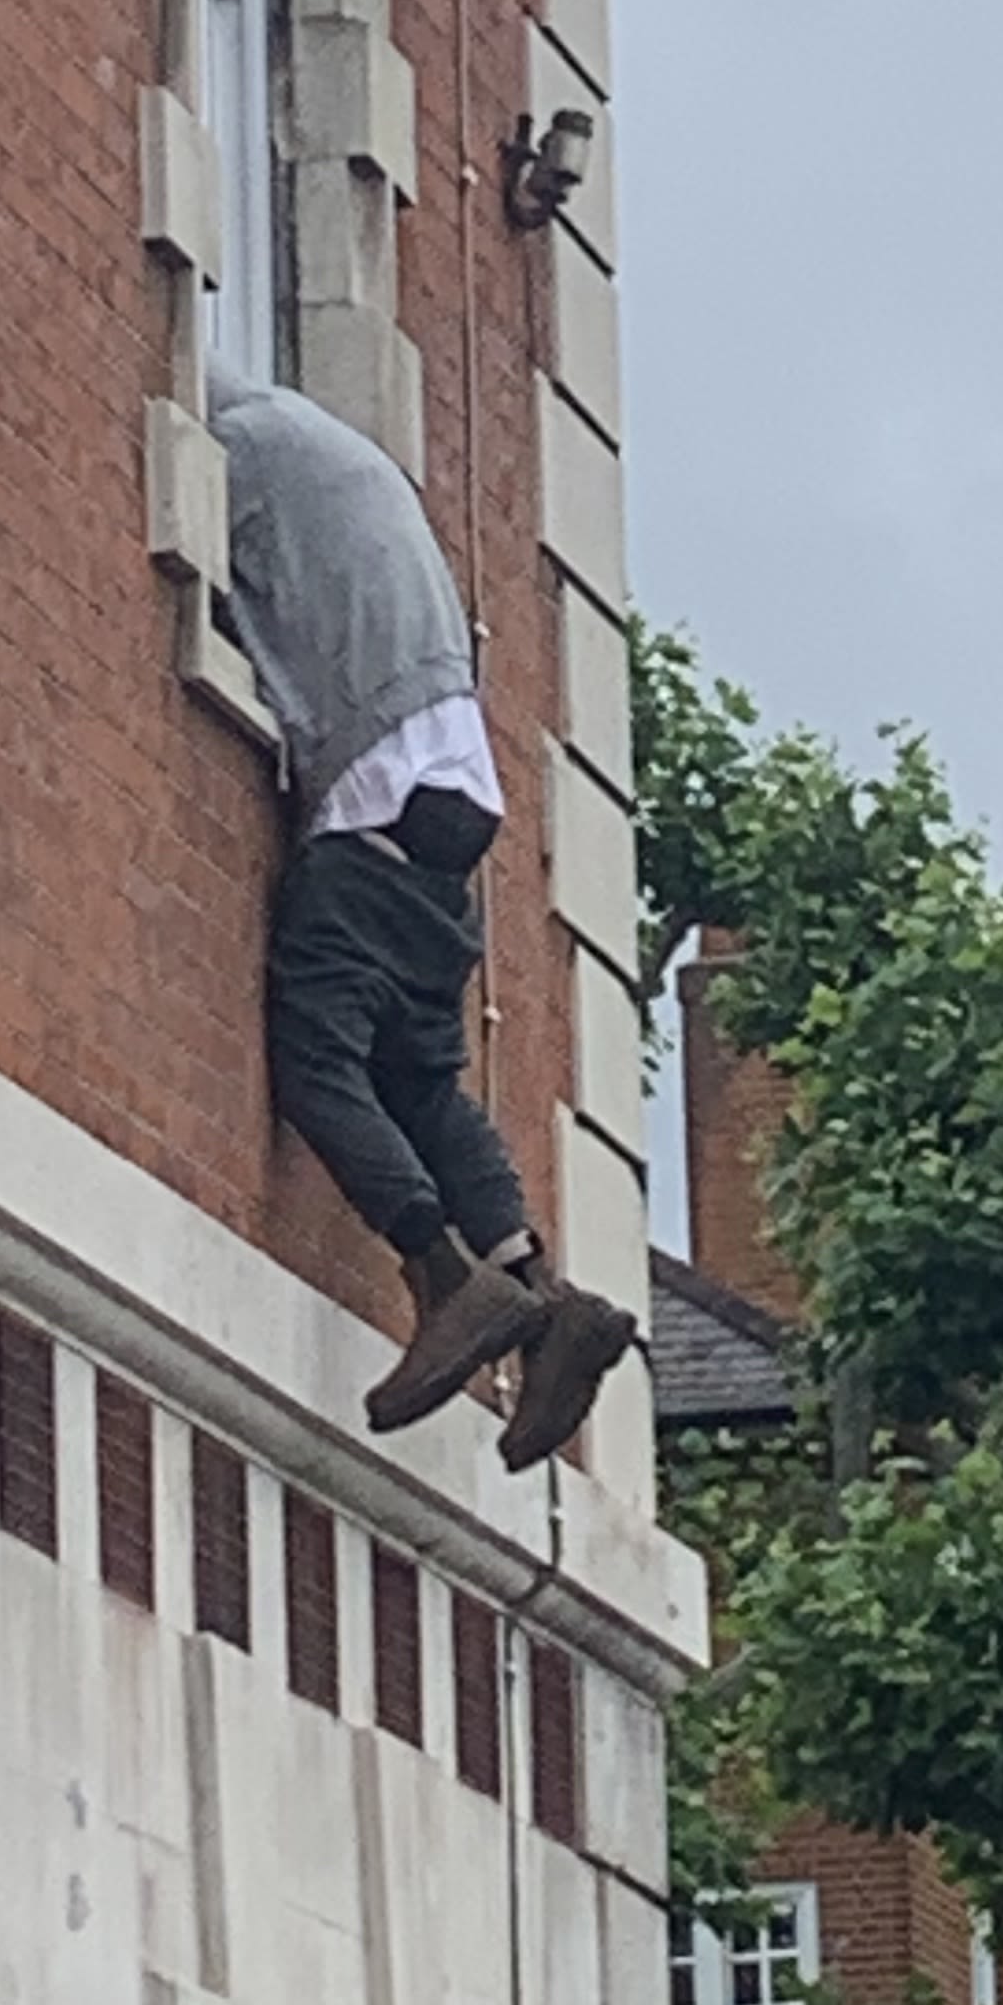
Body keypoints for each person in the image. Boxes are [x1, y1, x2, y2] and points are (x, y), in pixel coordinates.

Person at [207, 360, 638, 1460]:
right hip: (451, 814)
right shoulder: (329, 450)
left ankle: (443, 1273)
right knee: (419, 1078)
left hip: (372, 806)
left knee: (317, 1063)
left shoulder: (236, 449)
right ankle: (544, 1295)